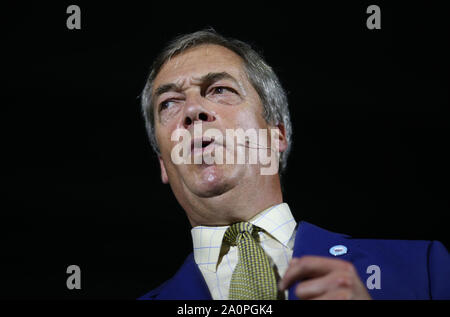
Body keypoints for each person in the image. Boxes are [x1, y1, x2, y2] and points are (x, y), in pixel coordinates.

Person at [138, 29, 450, 300]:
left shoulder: (423, 270)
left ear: (277, 135)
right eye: (169, 103)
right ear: (164, 164)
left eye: (220, 90)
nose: (192, 109)